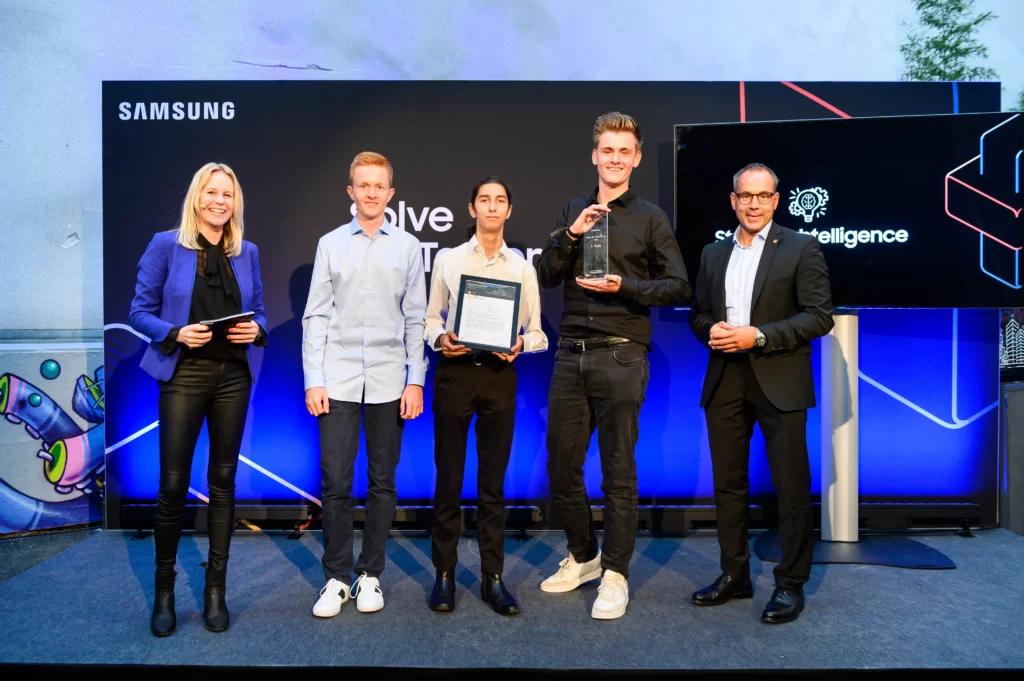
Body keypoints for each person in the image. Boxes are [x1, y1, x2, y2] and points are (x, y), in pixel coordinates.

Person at [536, 112, 690, 620]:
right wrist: (571, 234)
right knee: (562, 466)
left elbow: (678, 286)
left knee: (618, 472)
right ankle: (584, 557)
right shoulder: (574, 209)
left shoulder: (650, 217)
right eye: (608, 150)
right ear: (595, 155)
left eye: (625, 151)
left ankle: (617, 574)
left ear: (637, 158)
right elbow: (547, 274)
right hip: (570, 354)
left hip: (622, 352)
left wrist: (625, 286)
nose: (615, 159)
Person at [687, 163, 833, 624]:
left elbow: (819, 316)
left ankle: (790, 585)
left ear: (776, 199)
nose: (753, 204)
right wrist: (713, 329)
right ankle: (735, 575)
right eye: (745, 196)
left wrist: (759, 336)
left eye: (763, 196)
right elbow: (697, 314)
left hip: (780, 379)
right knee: (728, 485)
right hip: (724, 379)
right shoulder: (712, 253)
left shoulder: (801, 247)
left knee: (790, 487)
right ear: (733, 201)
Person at [129, 162, 268, 637]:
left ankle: (215, 591)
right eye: (211, 192)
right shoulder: (166, 245)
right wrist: (175, 332)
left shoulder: (245, 251)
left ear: (236, 202)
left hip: (234, 376)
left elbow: (262, 310)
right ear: (197, 197)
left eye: (227, 194)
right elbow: (138, 312)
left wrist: (259, 328)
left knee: (223, 482)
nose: (219, 201)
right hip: (184, 374)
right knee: (172, 484)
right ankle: (164, 591)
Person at [303, 151, 427, 617]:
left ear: (390, 193)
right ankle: (335, 578)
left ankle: (370, 574)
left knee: (382, 482)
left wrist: (416, 381)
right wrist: (314, 378)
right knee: (335, 482)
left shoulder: (409, 247)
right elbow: (316, 314)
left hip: (390, 380)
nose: (371, 193)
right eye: (363, 185)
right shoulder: (330, 244)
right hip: (336, 378)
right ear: (351, 191)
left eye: (380, 186)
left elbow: (416, 319)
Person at [423, 177, 548, 615]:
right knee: (448, 483)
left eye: (500, 201)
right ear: (471, 208)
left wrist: (521, 345)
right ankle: (444, 576)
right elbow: (428, 320)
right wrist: (442, 339)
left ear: (509, 211)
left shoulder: (521, 268)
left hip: (499, 377)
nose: (492, 207)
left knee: (492, 486)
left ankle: (494, 578)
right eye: (484, 200)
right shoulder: (449, 259)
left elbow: (538, 333)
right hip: (455, 374)